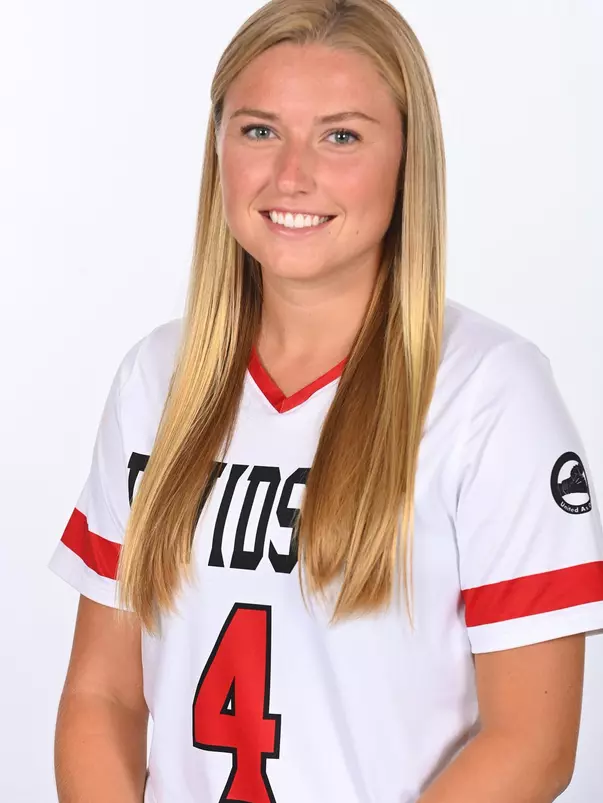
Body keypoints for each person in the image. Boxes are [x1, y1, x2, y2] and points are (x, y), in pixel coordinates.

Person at [48, 1, 603, 801]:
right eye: (258, 130)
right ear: (218, 148)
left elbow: (531, 742)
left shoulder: (490, 393)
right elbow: (104, 695)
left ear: (407, 158)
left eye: (340, 135)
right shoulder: (156, 378)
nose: (290, 176)